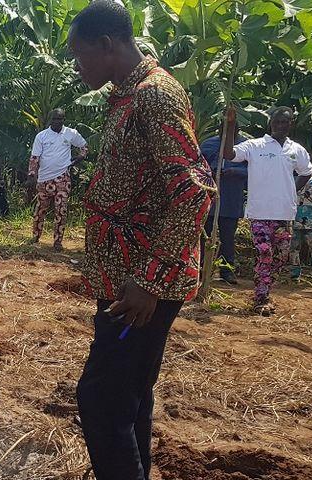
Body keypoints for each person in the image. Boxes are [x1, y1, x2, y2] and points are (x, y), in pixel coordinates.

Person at [67, 3, 214, 480]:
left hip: (141, 288)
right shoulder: (128, 96)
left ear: (106, 45)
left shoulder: (154, 96)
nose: (76, 65)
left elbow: (193, 193)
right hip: (127, 281)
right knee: (127, 401)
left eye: (79, 53)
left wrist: (149, 282)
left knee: (102, 401)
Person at [222, 106, 312, 315]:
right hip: (260, 212)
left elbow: (306, 171)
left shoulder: (296, 149)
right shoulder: (255, 145)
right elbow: (229, 154)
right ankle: (261, 299)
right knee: (264, 253)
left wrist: (292, 188)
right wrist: (229, 126)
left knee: (280, 258)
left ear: (291, 124)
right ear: (271, 123)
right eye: (277, 121)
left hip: (284, 213)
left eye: (285, 122)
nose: (281, 125)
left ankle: (264, 288)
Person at [27, 108, 89, 250]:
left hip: (62, 178)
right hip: (44, 180)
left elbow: (84, 146)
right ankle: (35, 237)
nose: (57, 121)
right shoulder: (41, 136)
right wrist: (31, 175)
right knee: (40, 209)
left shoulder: (70, 133)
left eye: (60, 119)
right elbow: (35, 158)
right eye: (55, 119)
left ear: (63, 120)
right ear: (50, 120)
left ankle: (57, 242)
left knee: (61, 210)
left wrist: (81, 157)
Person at [199, 131, 248, 284]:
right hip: (210, 199)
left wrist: (236, 171)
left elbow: (255, 170)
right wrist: (211, 172)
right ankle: (201, 270)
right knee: (204, 237)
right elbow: (197, 167)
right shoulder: (208, 144)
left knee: (228, 238)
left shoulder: (247, 146)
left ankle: (227, 271)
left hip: (231, 200)